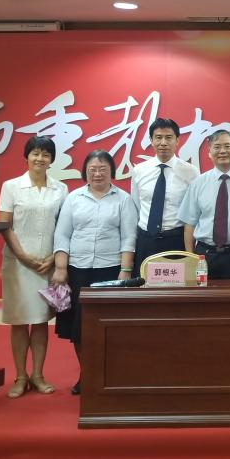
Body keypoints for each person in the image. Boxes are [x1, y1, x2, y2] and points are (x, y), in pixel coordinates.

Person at [52, 150, 136, 395]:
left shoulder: (123, 199)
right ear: (85, 172)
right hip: (77, 271)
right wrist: (60, 268)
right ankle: (87, 374)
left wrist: (125, 271)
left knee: (109, 327)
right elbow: (62, 234)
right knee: (79, 328)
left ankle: (109, 375)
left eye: (103, 169)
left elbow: (129, 237)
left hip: (111, 271)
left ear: (112, 172)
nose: (97, 173)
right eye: (92, 169)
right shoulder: (74, 198)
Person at [0, 136, 68, 398]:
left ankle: (37, 374)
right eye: (35, 153)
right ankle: (20, 376)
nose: (40, 158)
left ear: (52, 160)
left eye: (46, 154)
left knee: (39, 321)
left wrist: (53, 257)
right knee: (19, 321)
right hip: (18, 264)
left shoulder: (60, 189)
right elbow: (4, 225)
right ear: (26, 157)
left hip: (47, 263)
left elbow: (64, 226)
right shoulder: (11, 186)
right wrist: (22, 255)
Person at [177, 129, 230, 279]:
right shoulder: (198, 183)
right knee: (203, 294)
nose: (222, 151)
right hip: (204, 255)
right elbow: (190, 224)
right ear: (209, 152)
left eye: (227, 146)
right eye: (217, 147)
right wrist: (190, 257)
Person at [129, 117, 199, 277]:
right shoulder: (139, 170)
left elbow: (193, 212)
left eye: (168, 137)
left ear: (177, 140)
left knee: (176, 286)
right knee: (144, 284)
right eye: (158, 137)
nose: (163, 143)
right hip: (146, 240)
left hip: (176, 239)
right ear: (151, 140)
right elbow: (137, 206)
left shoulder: (191, 172)